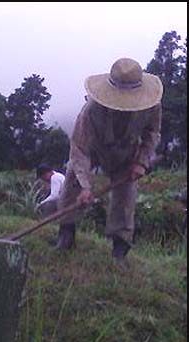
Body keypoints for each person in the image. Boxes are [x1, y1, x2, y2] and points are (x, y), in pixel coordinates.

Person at [58, 57, 163, 269]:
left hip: (127, 153)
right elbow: (79, 149)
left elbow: (152, 133)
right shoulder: (90, 111)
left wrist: (142, 162)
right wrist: (86, 186)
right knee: (72, 178)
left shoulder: (151, 107)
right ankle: (66, 233)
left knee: (126, 197)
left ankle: (120, 249)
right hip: (95, 148)